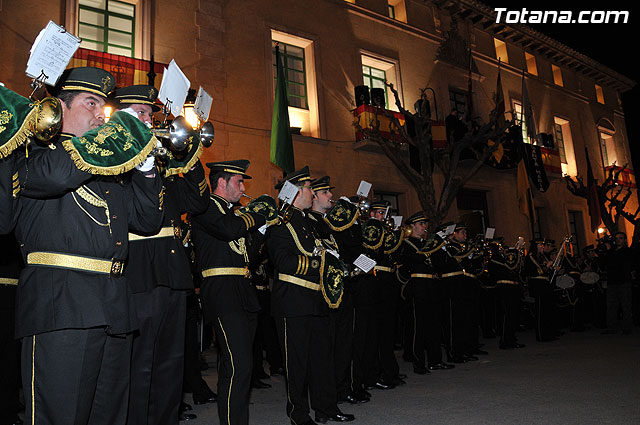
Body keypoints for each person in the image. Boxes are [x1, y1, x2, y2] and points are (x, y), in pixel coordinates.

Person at [14, 67, 164, 424]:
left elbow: (146, 221)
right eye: (91, 102)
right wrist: (110, 141)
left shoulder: (105, 169)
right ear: (59, 109)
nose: (101, 114)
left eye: (104, 105)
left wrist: (144, 169)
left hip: (113, 304)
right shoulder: (31, 151)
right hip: (62, 304)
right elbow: (54, 176)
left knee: (110, 416)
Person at [118, 85, 210, 425]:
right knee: (139, 364)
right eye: (140, 113)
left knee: (170, 363)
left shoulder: (161, 165)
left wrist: (192, 156)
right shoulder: (118, 159)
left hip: (171, 270)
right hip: (140, 269)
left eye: (149, 113)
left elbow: (197, 203)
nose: (148, 119)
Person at [267, 166, 354, 425]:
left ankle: (326, 407)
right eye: (307, 188)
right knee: (297, 364)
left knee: (321, 359)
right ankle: (299, 414)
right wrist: (320, 265)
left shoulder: (308, 222)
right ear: (294, 192)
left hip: (316, 300)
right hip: (292, 301)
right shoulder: (279, 220)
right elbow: (283, 261)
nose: (311, 193)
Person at [191, 160, 272, 425]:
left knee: (240, 363)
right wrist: (258, 214)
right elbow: (229, 230)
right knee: (239, 364)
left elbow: (246, 252)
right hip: (222, 292)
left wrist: (262, 229)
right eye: (239, 182)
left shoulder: (232, 214)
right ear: (222, 183)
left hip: (242, 291)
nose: (243, 187)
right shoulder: (205, 207)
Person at [398, 212, 454, 373]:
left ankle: (435, 360)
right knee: (418, 327)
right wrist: (433, 245)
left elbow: (441, 265)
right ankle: (418, 362)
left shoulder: (430, 244)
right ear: (413, 226)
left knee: (434, 326)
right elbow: (415, 259)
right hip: (418, 286)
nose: (424, 227)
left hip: (432, 286)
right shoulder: (407, 244)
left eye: (425, 224)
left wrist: (441, 248)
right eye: (421, 224)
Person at [523, 238, 558, 342]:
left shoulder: (542, 257)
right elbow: (537, 271)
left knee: (547, 310)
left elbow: (546, 270)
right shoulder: (530, 257)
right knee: (540, 311)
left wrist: (553, 268)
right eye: (540, 245)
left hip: (545, 285)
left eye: (543, 245)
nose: (542, 247)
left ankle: (548, 333)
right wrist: (546, 267)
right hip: (538, 285)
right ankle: (541, 335)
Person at [602, 232, 635, 334]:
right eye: (616, 238)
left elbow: (623, 263)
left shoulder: (628, 251)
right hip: (612, 282)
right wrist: (608, 251)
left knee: (626, 305)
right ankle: (612, 327)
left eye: (620, 238)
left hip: (624, 282)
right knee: (611, 306)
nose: (618, 240)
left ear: (625, 240)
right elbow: (606, 263)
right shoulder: (612, 252)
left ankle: (627, 328)